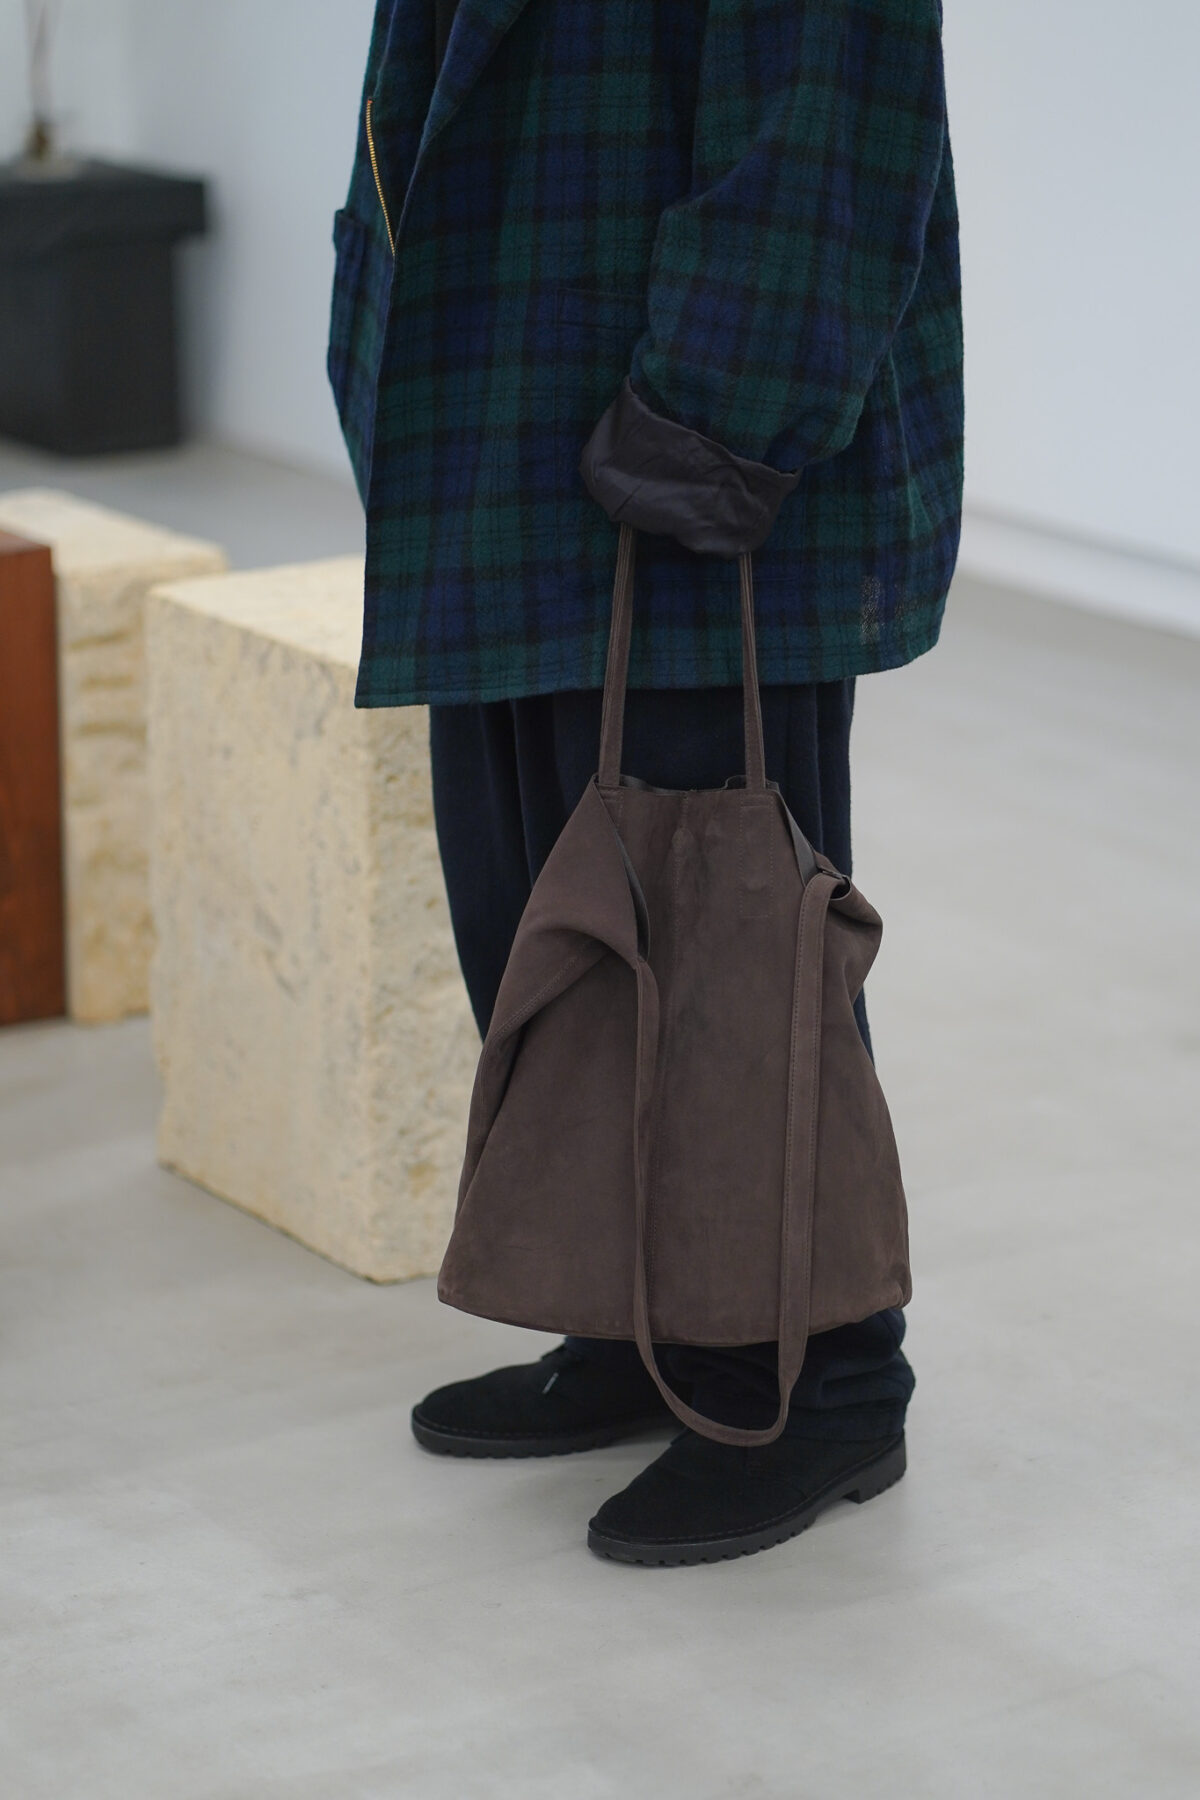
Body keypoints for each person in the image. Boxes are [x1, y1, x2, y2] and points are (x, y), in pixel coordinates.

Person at [328, 0, 963, 1565]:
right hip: (495, 415)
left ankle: (812, 1375)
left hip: (674, 440)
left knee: (724, 943)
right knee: (538, 916)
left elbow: (834, 104)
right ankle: (645, 1319)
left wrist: (711, 414)